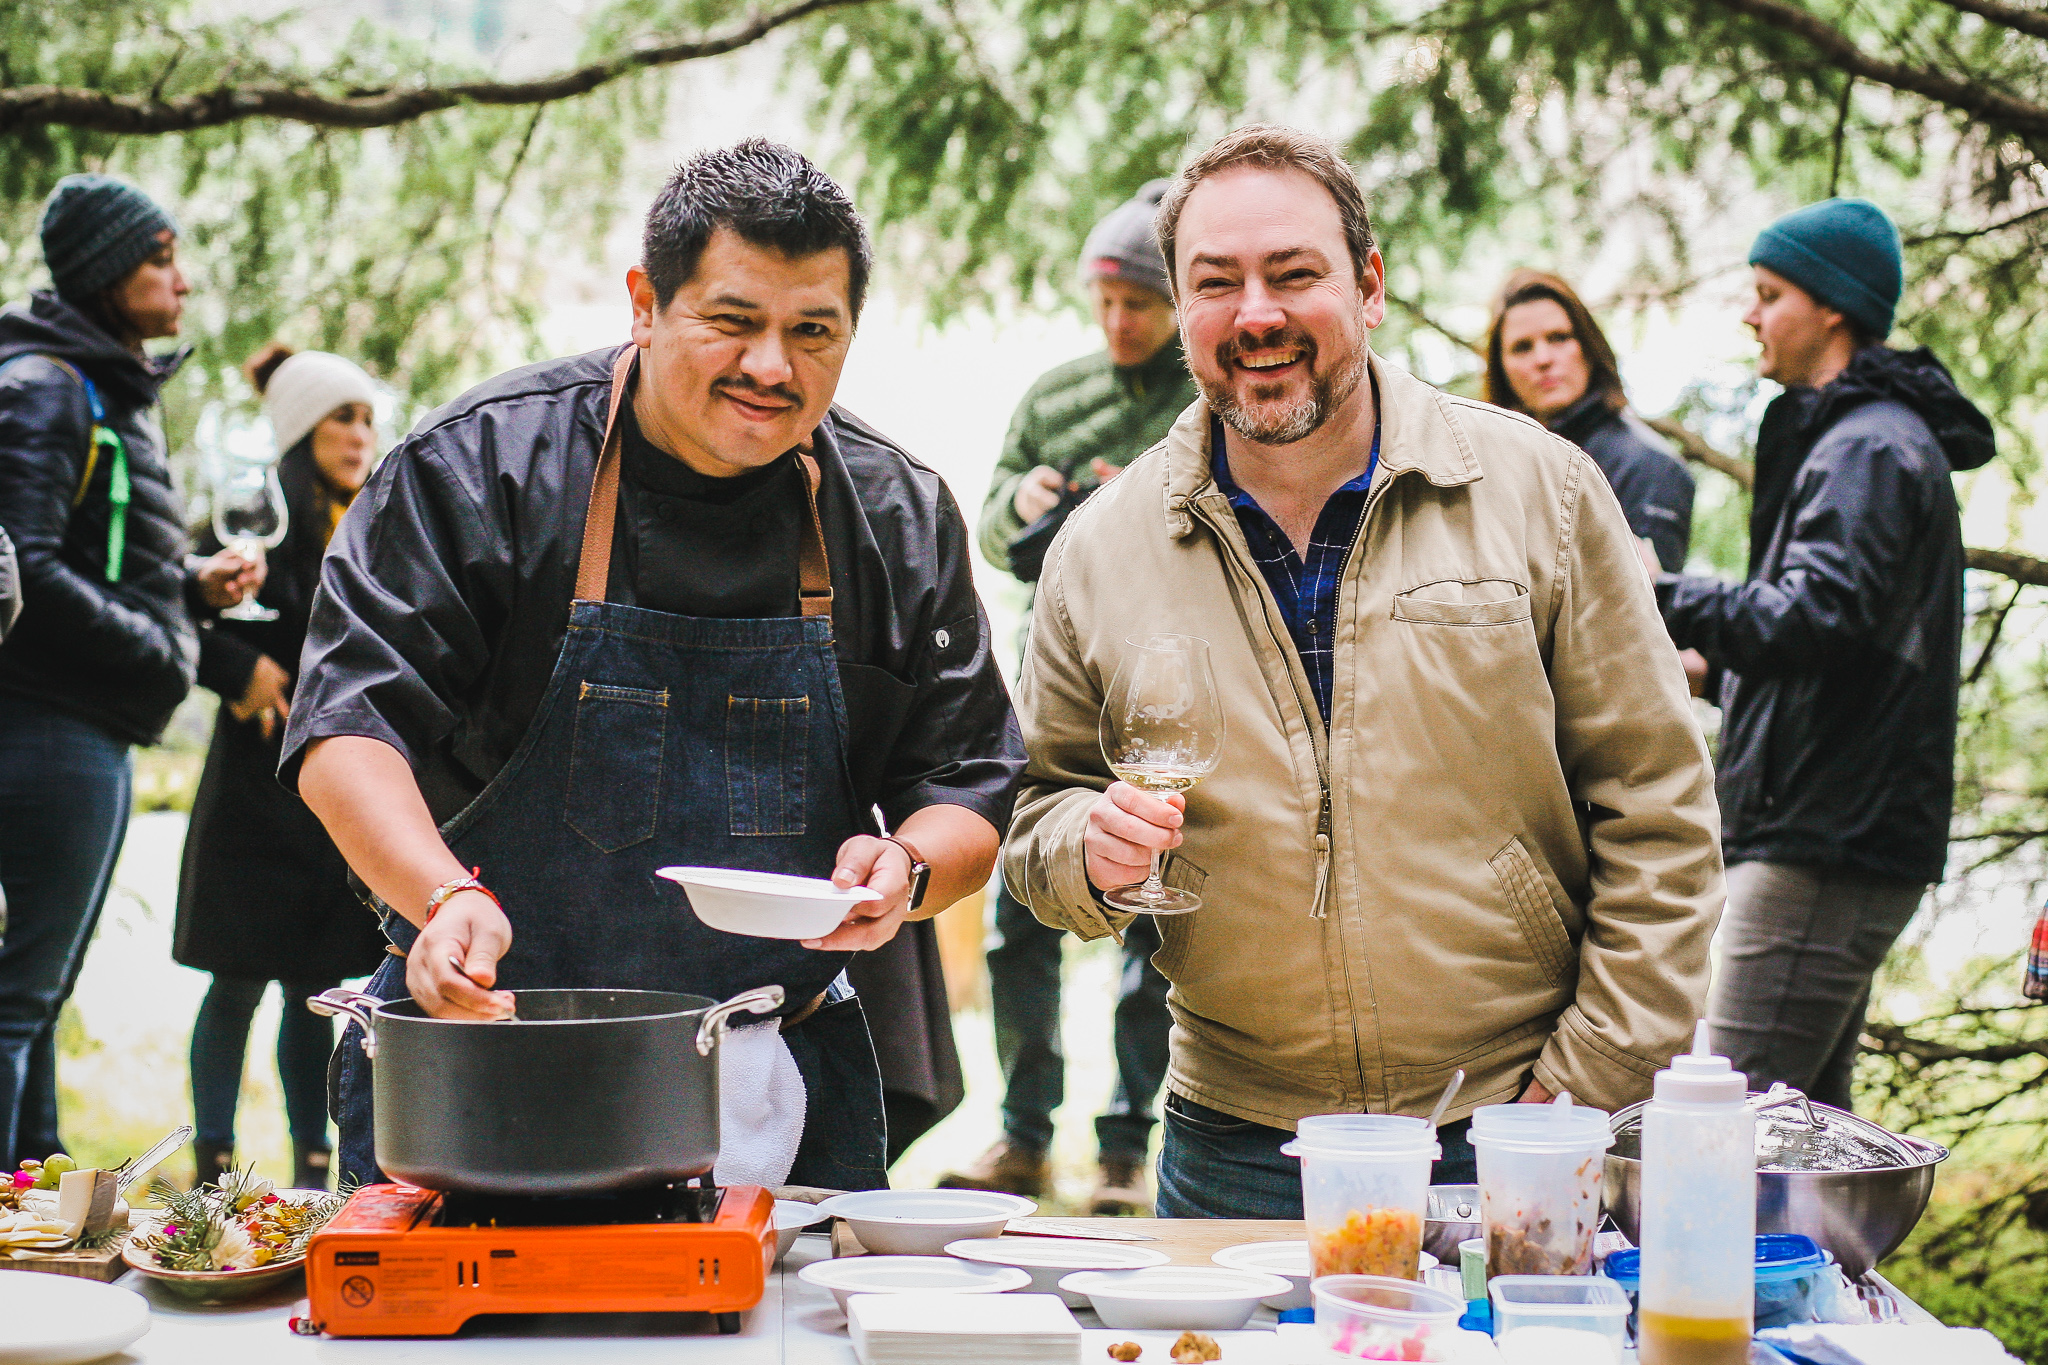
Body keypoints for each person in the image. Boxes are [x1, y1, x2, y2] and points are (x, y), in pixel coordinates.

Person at [1004, 125, 1724, 1219]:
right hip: (1233, 1151)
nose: (1255, 313)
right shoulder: (1098, 548)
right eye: (1214, 283)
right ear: (1184, 310)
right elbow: (1034, 818)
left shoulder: (1541, 492)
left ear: (1369, 285)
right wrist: (1085, 856)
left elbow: (1661, 819)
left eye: (1292, 274)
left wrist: (1577, 1090)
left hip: (1511, 1128)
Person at [282, 140, 1023, 1192]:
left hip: (770, 1086)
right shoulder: (483, 466)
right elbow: (344, 728)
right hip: (480, 1062)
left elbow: (967, 782)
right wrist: (441, 893)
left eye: (812, 332)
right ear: (644, 301)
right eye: (732, 322)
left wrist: (907, 870)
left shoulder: (896, 517)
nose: (772, 366)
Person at [1650, 198, 1996, 1112]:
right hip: (1829, 829)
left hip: (1827, 839)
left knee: (1728, 1129)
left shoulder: (1871, 444)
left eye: (1768, 294)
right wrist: (1708, 670)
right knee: (1808, 1143)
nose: (1751, 314)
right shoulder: (1859, 439)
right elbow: (1837, 645)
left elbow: (1815, 617)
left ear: (1831, 307)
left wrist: (1658, 589)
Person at [943, 183, 1195, 1214]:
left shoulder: (1197, 395)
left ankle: (1128, 1150)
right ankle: (1020, 1137)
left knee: (1153, 934)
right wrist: (1024, 502)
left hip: (1168, 705)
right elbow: (991, 524)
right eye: (1104, 302)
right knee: (1016, 926)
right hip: (1049, 693)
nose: (1118, 322)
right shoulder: (1054, 395)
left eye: (1137, 303)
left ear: (1172, 303)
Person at [0, 174, 260, 1169]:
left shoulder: (100, 385)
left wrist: (187, 591)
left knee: (34, 996)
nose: (182, 282)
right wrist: (165, 645)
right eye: (160, 259)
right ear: (109, 272)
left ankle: (40, 1217)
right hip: (45, 727)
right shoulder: (45, 386)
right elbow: (22, 566)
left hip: (88, 725)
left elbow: (84, 562)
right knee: (16, 998)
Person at [176, 345, 390, 1190]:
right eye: (343, 416)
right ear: (302, 429)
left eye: (369, 417)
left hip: (324, 799)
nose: (360, 433)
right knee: (233, 983)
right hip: (248, 795)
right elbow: (172, 611)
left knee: (314, 984)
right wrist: (239, 670)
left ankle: (314, 1166)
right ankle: (213, 1168)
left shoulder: (373, 524)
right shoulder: (245, 519)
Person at [1484, 269, 1696, 573]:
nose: (1542, 358)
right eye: (1522, 347)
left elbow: (1651, 608)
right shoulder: (1495, 463)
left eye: (1559, 338)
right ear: (1500, 368)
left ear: (1589, 346)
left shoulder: (1650, 466)